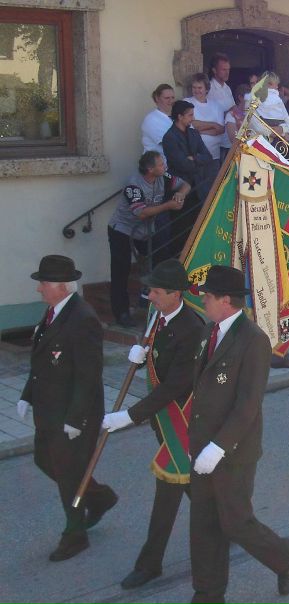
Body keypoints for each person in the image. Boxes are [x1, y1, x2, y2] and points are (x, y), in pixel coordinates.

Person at [189, 265, 289, 603]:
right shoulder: (209, 332)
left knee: (235, 523)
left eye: (207, 296)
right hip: (203, 446)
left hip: (233, 451)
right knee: (203, 523)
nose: (203, 300)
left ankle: (282, 556)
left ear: (225, 300)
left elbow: (248, 404)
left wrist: (218, 447)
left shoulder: (253, 340)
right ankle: (208, 593)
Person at [101, 260, 204, 590]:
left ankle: (150, 564)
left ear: (176, 294)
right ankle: (231, 529)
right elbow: (158, 354)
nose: (150, 296)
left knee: (168, 495)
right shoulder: (159, 316)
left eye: (157, 292)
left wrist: (130, 415)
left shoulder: (192, 329)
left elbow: (175, 385)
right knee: (198, 489)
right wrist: (141, 354)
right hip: (165, 422)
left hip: (182, 425)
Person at [17, 255, 118, 561]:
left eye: (43, 283)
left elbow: (89, 374)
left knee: (69, 473)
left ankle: (75, 535)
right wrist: (27, 395)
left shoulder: (83, 318)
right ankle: (99, 496)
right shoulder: (52, 314)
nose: (39, 289)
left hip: (73, 414)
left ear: (61, 287)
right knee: (44, 461)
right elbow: (42, 362)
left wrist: (76, 418)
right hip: (48, 409)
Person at [107, 151, 189, 328]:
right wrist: (169, 205)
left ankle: (151, 304)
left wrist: (180, 194)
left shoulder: (163, 176)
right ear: (150, 169)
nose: (164, 167)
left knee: (158, 265)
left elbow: (185, 185)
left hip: (145, 232)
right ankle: (122, 313)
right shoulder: (133, 185)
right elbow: (142, 213)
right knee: (121, 270)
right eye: (160, 165)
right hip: (122, 230)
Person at [184, 73, 226, 162]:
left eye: (199, 88)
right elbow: (193, 125)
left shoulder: (216, 106)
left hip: (214, 156)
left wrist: (199, 130)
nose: (196, 90)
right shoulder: (186, 102)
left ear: (206, 89)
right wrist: (213, 124)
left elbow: (220, 129)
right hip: (195, 156)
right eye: (194, 87)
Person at [207, 53, 235, 160]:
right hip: (218, 142)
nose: (227, 72)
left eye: (228, 69)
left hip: (230, 139)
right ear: (214, 70)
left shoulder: (227, 88)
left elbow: (234, 110)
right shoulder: (209, 89)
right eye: (223, 69)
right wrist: (230, 111)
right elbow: (209, 116)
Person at [251, 71, 289, 141]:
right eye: (276, 84)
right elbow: (254, 124)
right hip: (260, 141)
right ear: (268, 84)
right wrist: (277, 132)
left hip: (275, 136)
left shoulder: (278, 99)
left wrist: (281, 129)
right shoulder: (254, 100)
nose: (277, 87)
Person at [141, 84, 175, 162]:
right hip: (158, 166)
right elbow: (170, 143)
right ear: (157, 98)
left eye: (172, 98)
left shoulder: (177, 116)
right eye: (167, 98)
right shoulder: (151, 120)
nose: (171, 101)